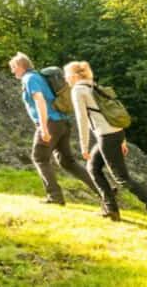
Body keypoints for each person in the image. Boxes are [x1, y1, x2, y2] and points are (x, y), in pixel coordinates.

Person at [65, 60, 147, 233]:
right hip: (114, 134)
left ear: (73, 76)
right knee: (93, 168)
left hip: (106, 137)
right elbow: (112, 115)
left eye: (67, 75)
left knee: (122, 178)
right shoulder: (94, 86)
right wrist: (122, 139)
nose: (66, 79)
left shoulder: (78, 90)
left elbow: (82, 120)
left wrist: (83, 146)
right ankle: (111, 210)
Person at [8, 52, 99, 205]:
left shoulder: (29, 79)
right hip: (62, 123)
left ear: (19, 66)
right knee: (67, 162)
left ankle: (55, 197)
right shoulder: (39, 77)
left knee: (40, 158)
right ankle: (103, 189)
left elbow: (40, 102)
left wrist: (43, 129)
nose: (12, 72)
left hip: (50, 123)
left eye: (13, 68)